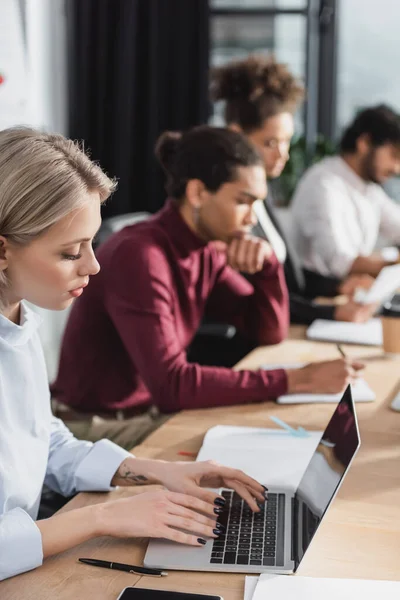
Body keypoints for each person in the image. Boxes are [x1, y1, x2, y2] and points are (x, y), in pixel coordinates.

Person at [0, 126, 269, 581]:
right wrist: (100, 518)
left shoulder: (19, 315)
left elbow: (44, 440)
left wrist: (155, 472)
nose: (93, 265)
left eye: (91, 243)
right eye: (70, 252)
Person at [52, 125, 364, 444]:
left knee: (273, 434)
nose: (252, 218)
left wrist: (268, 268)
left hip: (147, 413)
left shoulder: (203, 250)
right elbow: (172, 386)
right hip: (92, 427)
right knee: (259, 441)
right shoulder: (141, 256)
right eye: (244, 202)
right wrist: (296, 379)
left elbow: (268, 331)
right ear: (198, 193)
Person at [211, 55, 376, 324]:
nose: (283, 154)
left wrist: (336, 287)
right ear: (235, 135)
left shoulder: (263, 195)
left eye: (287, 142)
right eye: (271, 143)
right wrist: (329, 312)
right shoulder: (228, 207)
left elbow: (290, 281)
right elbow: (253, 300)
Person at [291, 104, 400, 281]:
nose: (397, 168)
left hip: (351, 292)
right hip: (320, 296)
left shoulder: (369, 189)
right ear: (364, 143)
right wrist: (393, 264)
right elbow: (339, 261)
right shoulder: (323, 184)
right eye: (393, 155)